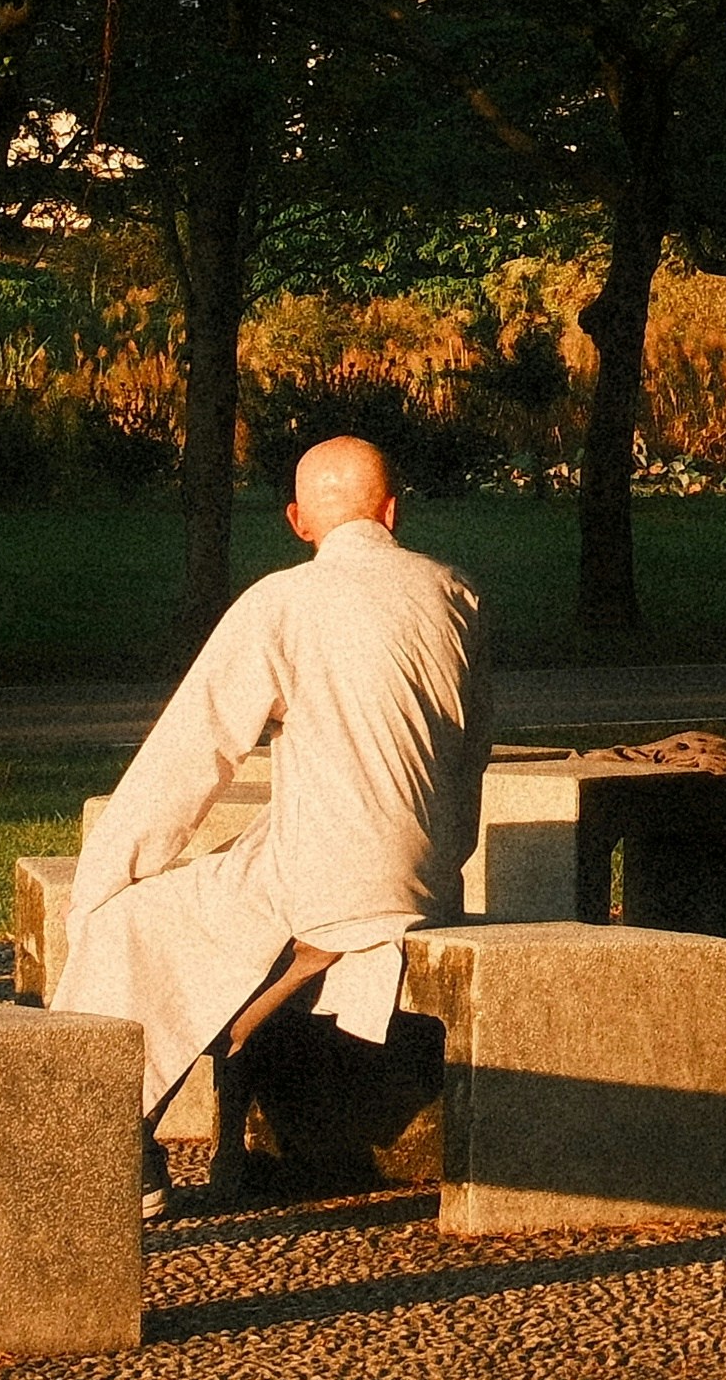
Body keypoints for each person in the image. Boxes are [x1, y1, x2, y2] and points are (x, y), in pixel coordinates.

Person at [56, 434, 489, 1203]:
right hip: (428, 875)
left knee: (127, 922)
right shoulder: (455, 591)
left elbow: (188, 760)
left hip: (327, 880)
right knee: (241, 864)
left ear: (297, 520)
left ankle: (104, 1139)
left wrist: (101, 885)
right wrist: (439, 866)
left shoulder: (281, 603)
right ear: (393, 511)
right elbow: (468, 755)